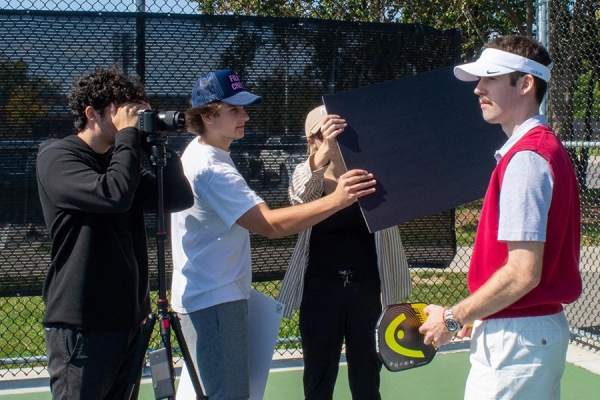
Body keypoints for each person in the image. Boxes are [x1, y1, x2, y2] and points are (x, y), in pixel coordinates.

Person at [169, 69, 377, 400]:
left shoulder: (205, 151)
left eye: (244, 108)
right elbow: (269, 224)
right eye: (234, 110)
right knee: (228, 395)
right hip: (213, 300)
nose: (245, 116)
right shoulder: (211, 168)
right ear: (207, 115)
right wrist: (338, 199)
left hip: (217, 296)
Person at [419, 35, 582, 399]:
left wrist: (452, 317)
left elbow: (523, 272)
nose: (478, 88)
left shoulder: (527, 158)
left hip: (517, 341)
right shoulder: (537, 150)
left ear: (525, 84)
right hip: (525, 335)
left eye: (490, 77)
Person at [36, 67, 193, 399]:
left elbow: (178, 197)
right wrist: (127, 139)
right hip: (83, 325)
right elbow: (113, 195)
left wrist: (156, 142)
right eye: (123, 110)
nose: (131, 120)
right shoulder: (58, 157)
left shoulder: (120, 161)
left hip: (129, 321)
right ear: (91, 114)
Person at [276, 105, 413, 399]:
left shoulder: (374, 175)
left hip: (367, 290)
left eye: (341, 132)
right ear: (310, 141)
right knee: (318, 377)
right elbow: (299, 195)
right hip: (321, 290)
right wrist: (324, 153)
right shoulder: (307, 176)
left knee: (366, 378)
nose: (335, 138)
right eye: (324, 133)